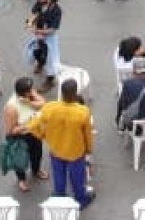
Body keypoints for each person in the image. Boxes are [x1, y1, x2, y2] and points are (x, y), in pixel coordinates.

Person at [27, 77, 96, 207]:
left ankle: (59, 196)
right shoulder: (83, 112)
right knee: (77, 179)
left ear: (62, 93)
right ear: (76, 94)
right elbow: (88, 135)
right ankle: (80, 200)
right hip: (75, 151)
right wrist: (89, 150)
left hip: (56, 149)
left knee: (59, 176)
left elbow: (32, 125)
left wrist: (42, 135)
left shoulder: (50, 108)